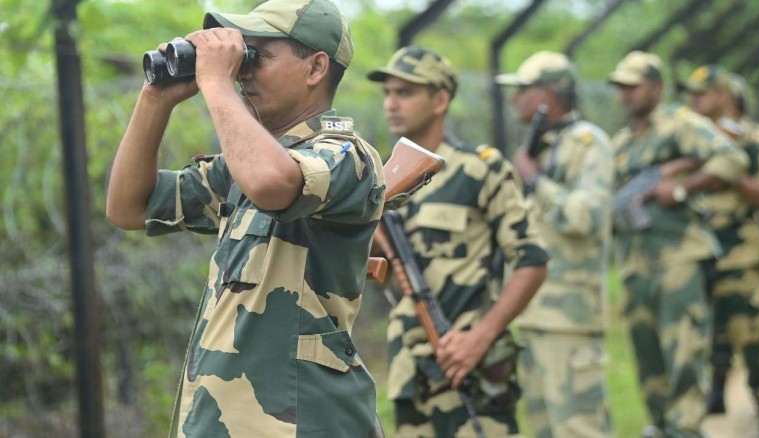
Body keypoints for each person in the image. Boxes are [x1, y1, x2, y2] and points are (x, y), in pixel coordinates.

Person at [106, 1, 387, 436]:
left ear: (315, 68)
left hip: (303, 424)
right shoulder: (242, 166)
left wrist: (215, 82)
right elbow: (129, 207)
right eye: (241, 55)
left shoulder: (348, 155)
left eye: (257, 56)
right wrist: (156, 97)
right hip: (219, 422)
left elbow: (273, 183)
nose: (243, 71)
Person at [367, 46, 548, 437]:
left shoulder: (480, 168)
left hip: (469, 365)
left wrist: (480, 338)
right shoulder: (384, 178)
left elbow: (532, 259)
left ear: (441, 100)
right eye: (387, 92)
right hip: (410, 366)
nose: (391, 103)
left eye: (405, 92)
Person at [607, 51, 748, 438]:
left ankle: (685, 430)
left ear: (656, 87)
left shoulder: (681, 125)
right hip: (635, 267)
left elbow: (731, 159)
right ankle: (663, 425)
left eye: (633, 87)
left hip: (679, 259)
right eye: (621, 88)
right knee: (647, 357)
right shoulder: (621, 143)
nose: (625, 95)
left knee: (684, 354)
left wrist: (682, 187)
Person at [495, 51, 613, 438]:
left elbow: (586, 217)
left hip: (569, 319)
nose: (515, 99)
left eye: (523, 90)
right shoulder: (543, 146)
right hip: (531, 314)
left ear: (550, 93)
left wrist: (534, 181)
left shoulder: (587, 143)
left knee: (580, 429)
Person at [686, 65, 759, 434]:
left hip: (741, 250)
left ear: (724, 95)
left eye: (702, 93)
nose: (694, 101)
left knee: (747, 326)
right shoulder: (694, 140)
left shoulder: (754, 140)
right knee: (709, 329)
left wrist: (727, 170)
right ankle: (709, 399)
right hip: (697, 249)